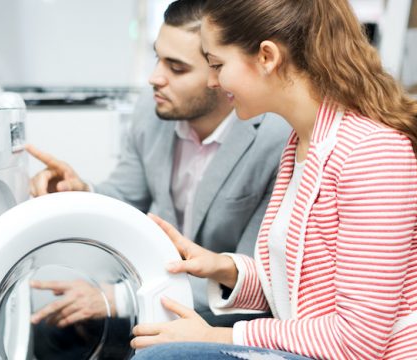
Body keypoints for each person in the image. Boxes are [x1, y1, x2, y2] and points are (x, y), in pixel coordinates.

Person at [129, 0, 417, 359]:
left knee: (166, 355)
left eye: (217, 65)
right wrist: (223, 268)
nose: (214, 81)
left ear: (267, 57)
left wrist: (218, 337)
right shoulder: (303, 143)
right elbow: (302, 288)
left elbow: (356, 340)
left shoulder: (372, 152)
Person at [27, 0, 290, 327]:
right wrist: (80, 190)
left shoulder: (276, 139)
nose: (155, 78)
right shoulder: (152, 110)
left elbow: (254, 276)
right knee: (50, 327)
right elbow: (127, 196)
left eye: (176, 68)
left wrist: (118, 298)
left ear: (221, 74)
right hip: (151, 285)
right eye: (157, 58)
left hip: (222, 316)